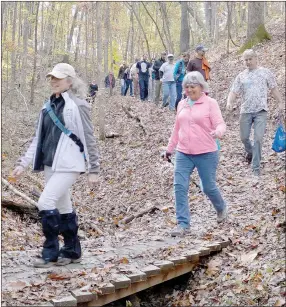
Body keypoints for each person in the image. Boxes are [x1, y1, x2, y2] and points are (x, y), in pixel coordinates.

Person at [11, 63, 100, 267]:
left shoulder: (79, 105)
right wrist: (22, 163)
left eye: (58, 78)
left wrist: (93, 169)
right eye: (51, 77)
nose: (53, 81)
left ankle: (50, 252)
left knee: (45, 202)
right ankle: (72, 250)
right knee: (63, 206)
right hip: (50, 164)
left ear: (70, 81)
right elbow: (38, 139)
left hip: (70, 164)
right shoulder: (46, 106)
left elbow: (89, 138)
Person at [162, 71, 227, 237]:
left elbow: (220, 124)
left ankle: (221, 208)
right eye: (187, 87)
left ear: (201, 87)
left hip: (206, 152)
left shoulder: (210, 103)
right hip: (183, 152)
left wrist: (218, 132)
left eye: (193, 86)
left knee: (208, 187)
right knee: (179, 187)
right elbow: (177, 129)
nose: (190, 90)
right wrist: (170, 148)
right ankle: (183, 224)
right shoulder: (182, 104)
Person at [226, 49, 284, 176]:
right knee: (244, 137)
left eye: (250, 59)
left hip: (261, 111)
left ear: (256, 58)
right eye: (245, 60)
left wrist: (280, 102)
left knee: (258, 138)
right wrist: (229, 102)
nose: (247, 62)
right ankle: (251, 152)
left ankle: (255, 167)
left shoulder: (265, 73)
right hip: (245, 110)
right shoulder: (241, 76)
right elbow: (234, 91)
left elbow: (273, 88)